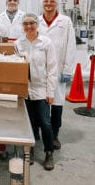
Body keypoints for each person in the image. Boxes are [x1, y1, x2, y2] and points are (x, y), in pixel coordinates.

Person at [14, 13, 58, 171]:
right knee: (29, 123)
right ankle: (30, 150)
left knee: (45, 123)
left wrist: (50, 92)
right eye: (25, 24)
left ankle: (49, 152)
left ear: (37, 24)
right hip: (25, 90)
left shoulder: (46, 43)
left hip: (42, 89)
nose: (29, 26)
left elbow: (52, 69)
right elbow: (17, 66)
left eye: (32, 23)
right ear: (22, 26)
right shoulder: (19, 43)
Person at [38, 0, 76, 150]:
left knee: (57, 103)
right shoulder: (37, 21)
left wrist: (67, 69)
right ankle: (40, 133)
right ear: (42, 4)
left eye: (52, 1)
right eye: (46, 1)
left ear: (57, 3)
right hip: (40, 70)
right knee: (40, 103)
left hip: (58, 70)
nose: (49, 4)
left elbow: (71, 45)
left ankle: (54, 135)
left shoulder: (65, 21)